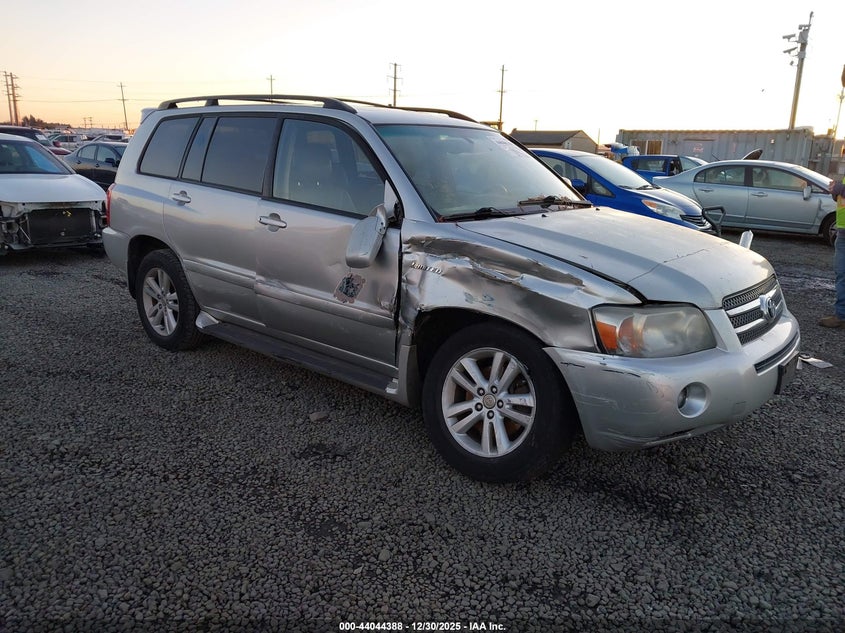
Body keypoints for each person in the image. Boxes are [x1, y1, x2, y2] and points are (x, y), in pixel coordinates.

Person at [819, 177, 845, 328]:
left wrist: (840, 189)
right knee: (841, 275)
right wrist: (835, 193)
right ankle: (841, 316)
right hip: (843, 232)